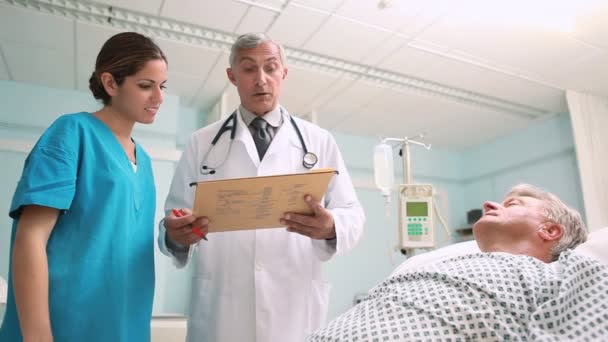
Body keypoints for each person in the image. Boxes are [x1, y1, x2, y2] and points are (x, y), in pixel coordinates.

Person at [158, 32, 365, 341]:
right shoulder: (201, 143)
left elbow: (352, 213)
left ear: (283, 72)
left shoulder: (319, 141)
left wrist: (331, 226)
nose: (261, 79)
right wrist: (176, 235)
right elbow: (172, 219)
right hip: (223, 310)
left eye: (270, 67)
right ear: (232, 76)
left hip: (292, 307)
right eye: (249, 68)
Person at [0, 32, 167, 341]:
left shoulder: (142, 159)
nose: (159, 98)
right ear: (110, 83)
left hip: (124, 325)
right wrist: (37, 337)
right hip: (66, 324)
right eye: (146, 86)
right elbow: (31, 237)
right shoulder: (72, 133)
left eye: (162, 86)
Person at [308, 184, 598, 341]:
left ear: (550, 231)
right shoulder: (438, 265)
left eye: (512, 205)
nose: (489, 204)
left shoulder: (553, 281)